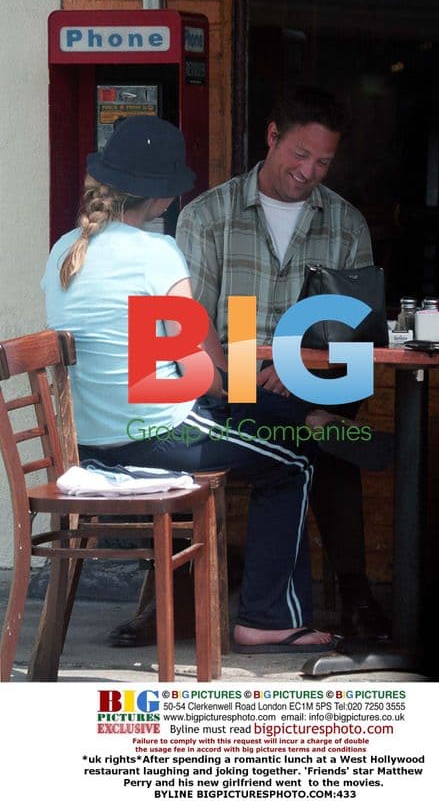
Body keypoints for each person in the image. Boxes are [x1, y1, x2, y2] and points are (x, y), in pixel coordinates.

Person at [41, 114, 333, 654]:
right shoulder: (157, 253)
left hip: (89, 443)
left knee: (267, 416)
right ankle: (265, 618)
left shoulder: (64, 250)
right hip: (155, 435)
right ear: (163, 197)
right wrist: (255, 397)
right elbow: (204, 375)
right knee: (292, 459)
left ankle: (310, 419)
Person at [175, 86, 390, 641]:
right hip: (228, 387)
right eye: (300, 154)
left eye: (323, 161)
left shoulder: (347, 224)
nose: (309, 171)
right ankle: (195, 597)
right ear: (272, 136)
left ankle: (352, 592)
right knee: (322, 439)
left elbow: (355, 334)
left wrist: (299, 372)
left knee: (326, 428)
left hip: (312, 381)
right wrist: (251, 373)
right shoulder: (208, 215)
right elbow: (191, 325)